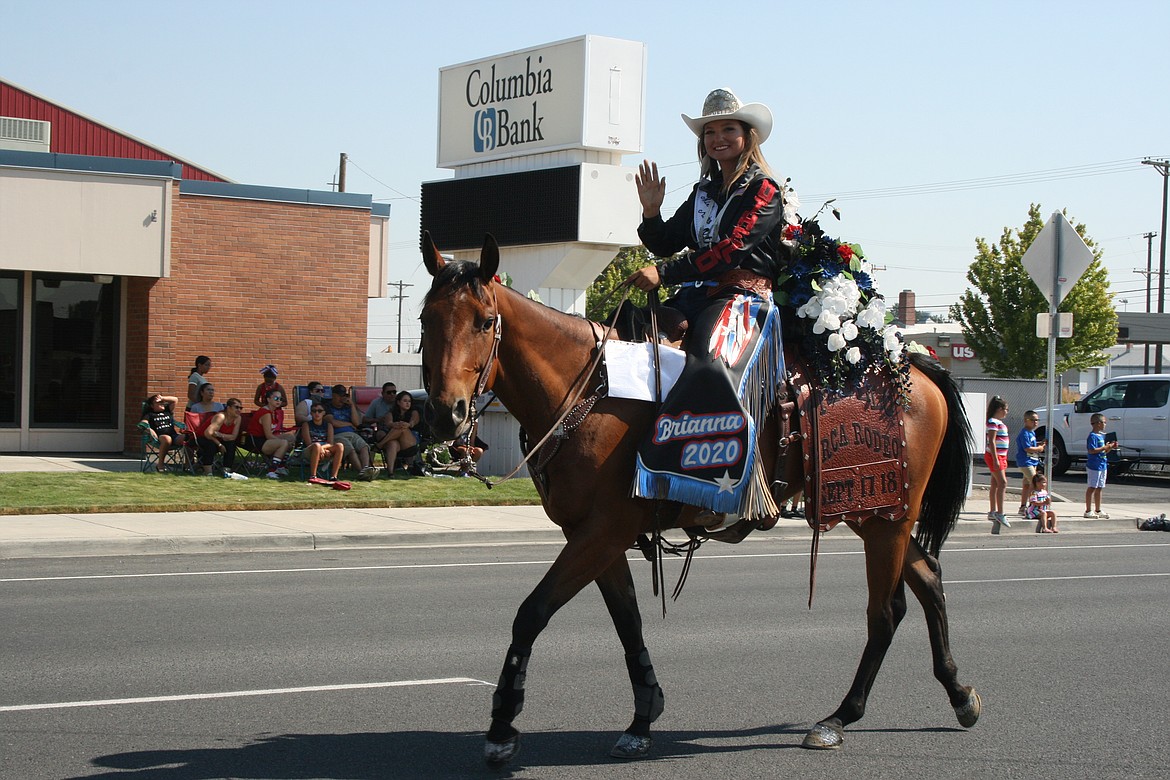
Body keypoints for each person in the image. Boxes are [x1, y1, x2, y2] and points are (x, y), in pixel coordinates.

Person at [625, 87, 789, 524]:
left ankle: (725, 485)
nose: (718, 138)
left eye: (727, 130)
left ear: (747, 136)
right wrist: (651, 213)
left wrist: (666, 272)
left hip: (743, 297)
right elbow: (665, 240)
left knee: (709, 360)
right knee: (629, 332)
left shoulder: (764, 191)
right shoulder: (702, 193)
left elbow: (734, 250)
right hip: (698, 293)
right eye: (710, 131)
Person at [325, 384, 377, 480]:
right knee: (350, 449)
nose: (342, 399)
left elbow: (357, 423)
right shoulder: (328, 406)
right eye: (339, 396)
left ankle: (365, 469)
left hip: (353, 433)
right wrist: (349, 424)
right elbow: (332, 422)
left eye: (343, 396)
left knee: (364, 446)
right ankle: (361, 472)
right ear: (334, 395)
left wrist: (352, 405)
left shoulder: (348, 407)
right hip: (337, 435)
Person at [246, 387, 296, 478]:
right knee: (284, 443)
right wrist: (282, 442)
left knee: (291, 437)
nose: (279, 401)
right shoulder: (265, 413)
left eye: (281, 399)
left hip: (264, 439)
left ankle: (281, 465)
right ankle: (272, 470)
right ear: (268, 399)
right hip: (256, 441)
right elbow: (269, 436)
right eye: (276, 398)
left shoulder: (273, 412)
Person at [300, 402, 347, 486]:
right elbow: (308, 443)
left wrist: (323, 449)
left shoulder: (328, 425)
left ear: (324, 413)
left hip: (324, 449)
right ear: (311, 413)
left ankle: (334, 477)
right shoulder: (306, 425)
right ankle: (313, 476)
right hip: (310, 451)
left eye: (319, 411)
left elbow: (330, 443)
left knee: (339, 445)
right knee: (316, 446)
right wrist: (320, 448)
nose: (317, 413)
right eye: (314, 411)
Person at [375, 390, 420, 474]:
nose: (408, 403)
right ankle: (390, 472)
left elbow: (413, 422)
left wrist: (407, 424)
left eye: (409, 401)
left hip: (410, 443)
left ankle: (379, 445)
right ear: (398, 402)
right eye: (405, 401)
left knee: (402, 427)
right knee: (392, 444)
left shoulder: (414, 412)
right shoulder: (391, 413)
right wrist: (394, 424)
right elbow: (388, 424)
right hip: (397, 442)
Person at [204, 398, 248, 479]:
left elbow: (233, 436)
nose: (239, 410)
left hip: (220, 438)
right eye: (236, 407)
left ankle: (226, 471)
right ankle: (208, 473)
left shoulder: (238, 418)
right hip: (203, 438)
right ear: (228, 408)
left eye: (240, 408)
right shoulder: (221, 416)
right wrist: (219, 444)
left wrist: (220, 435)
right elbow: (208, 433)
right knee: (210, 444)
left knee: (231, 444)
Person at [984, 396, 1011, 531]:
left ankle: (993, 511)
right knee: (1003, 483)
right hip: (995, 456)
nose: (1006, 412)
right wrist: (995, 459)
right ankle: (1000, 513)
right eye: (1005, 409)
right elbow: (992, 441)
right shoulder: (993, 422)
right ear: (1000, 409)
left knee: (995, 484)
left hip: (1001, 456)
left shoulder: (998, 422)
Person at [1084, 413, 1118, 519]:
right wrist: (1105, 447)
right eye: (1104, 422)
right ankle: (1088, 510)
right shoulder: (1092, 436)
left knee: (1099, 487)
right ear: (1098, 423)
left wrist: (1110, 447)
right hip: (1094, 465)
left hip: (1102, 464)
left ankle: (1098, 509)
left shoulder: (1101, 436)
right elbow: (1092, 450)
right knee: (1092, 487)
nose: (1105, 425)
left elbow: (1103, 451)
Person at [139, 394, 182, 472]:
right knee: (167, 438)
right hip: (159, 437)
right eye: (158, 402)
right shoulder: (150, 415)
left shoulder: (167, 411)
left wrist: (162, 398)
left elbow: (175, 399)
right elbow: (143, 424)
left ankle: (188, 466)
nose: (162, 403)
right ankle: (160, 464)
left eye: (162, 402)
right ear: (152, 406)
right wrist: (149, 430)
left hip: (174, 436)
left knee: (188, 437)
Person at [1014, 410, 1045, 516]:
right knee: (1035, 482)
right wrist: (1039, 448)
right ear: (1025, 420)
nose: (1035, 422)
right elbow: (1027, 448)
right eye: (1032, 420)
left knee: (1027, 484)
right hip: (1026, 462)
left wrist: (1040, 444)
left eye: (1037, 420)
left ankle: (1023, 507)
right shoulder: (1024, 433)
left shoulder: (1032, 433)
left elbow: (1032, 445)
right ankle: (1033, 507)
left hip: (1032, 461)